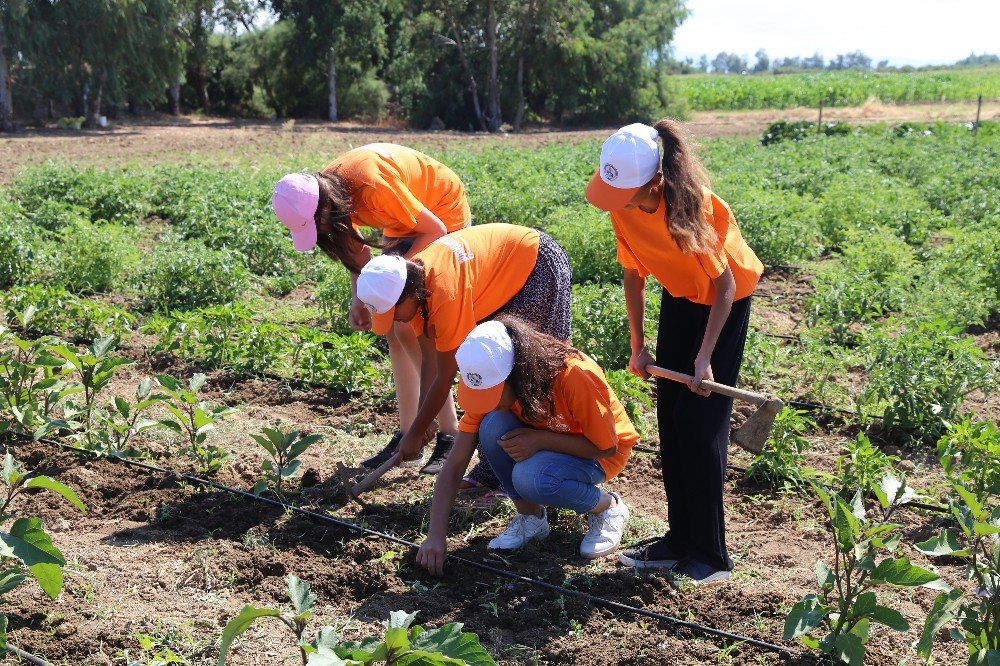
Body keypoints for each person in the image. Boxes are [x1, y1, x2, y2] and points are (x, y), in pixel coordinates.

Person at [585, 119, 763, 586]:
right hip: (680, 296)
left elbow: (724, 287)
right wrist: (638, 345)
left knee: (699, 425)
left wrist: (705, 358)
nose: (613, 202)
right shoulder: (621, 202)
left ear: (655, 183)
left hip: (725, 301)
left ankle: (711, 554)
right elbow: (633, 275)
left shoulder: (689, 210)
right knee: (670, 417)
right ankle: (679, 540)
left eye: (620, 193)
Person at [272, 144, 471, 474]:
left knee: (413, 324)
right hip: (404, 217)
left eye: (315, 226)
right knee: (393, 327)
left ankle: (449, 435)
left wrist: (393, 284)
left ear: (323, 208)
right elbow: (357, 253)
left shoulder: (371, 188)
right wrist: (361, 297)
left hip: (442, 212)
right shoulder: (328, 195)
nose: (319, 234)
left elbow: (434, 229)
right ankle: (409, 435)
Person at [416, 316, 636, 575]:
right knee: (492, 425)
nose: (487, 403)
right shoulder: (488, 380)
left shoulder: (573, 375)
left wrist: (541, 440)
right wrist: (435, 537)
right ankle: (531, 518)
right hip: (547, 445)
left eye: (493, 395)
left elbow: (606, 446)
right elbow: (454, 466)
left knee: (530, 478)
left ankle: (607, 506)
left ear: (517, 373)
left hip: (600, 453)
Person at [355, 223, 571, 479]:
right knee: (495, 373)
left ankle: (543, 469)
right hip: (500, 276)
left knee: (523, 368)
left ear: (407, 297)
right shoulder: (415, 287)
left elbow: (445, 374)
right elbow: (429, 364)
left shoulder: (443, 291)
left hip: (535, 263)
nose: (395, 320)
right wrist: (422, 424)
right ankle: (496, 473)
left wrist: (415, 432)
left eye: (393, 312)